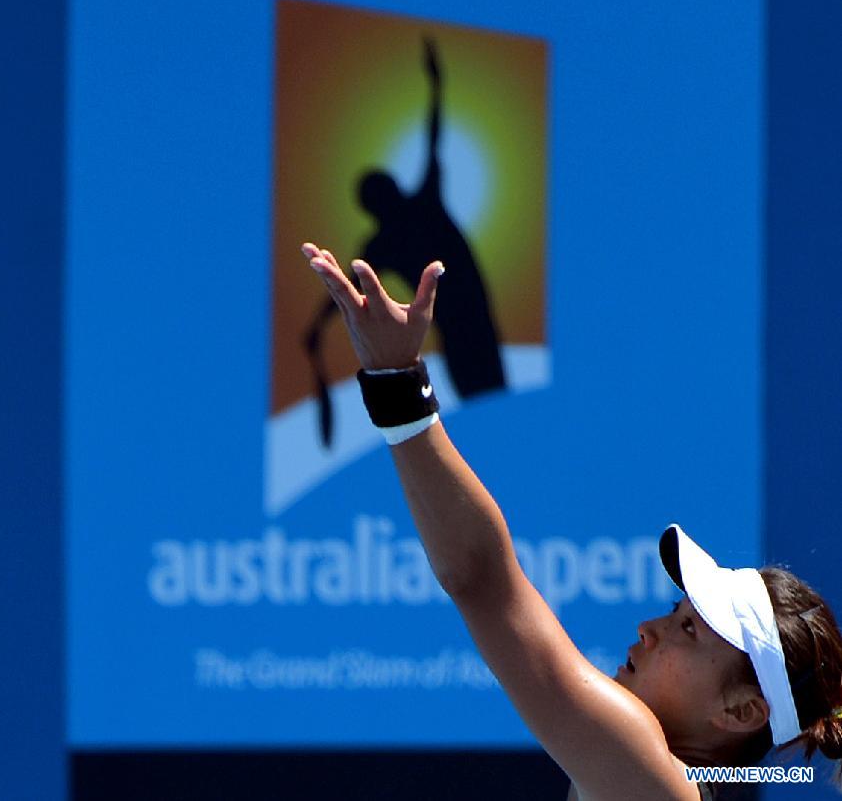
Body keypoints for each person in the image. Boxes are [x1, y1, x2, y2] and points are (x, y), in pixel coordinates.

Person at [300, 241, 842, 800]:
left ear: (744, 710)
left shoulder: (649, 773)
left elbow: (479, 578)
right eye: (674, 613)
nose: (648, 630)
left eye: (688, 630)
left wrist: (397, 384)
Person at [303, 38, 505, 447]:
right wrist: (318, 327)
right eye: (383, 189)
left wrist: (436, 86)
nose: (391, 189)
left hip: (475, 328)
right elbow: (342, 295)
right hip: (463, 337)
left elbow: (434, 137)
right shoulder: (390, 236)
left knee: (498, 412)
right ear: (380, 201)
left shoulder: (403, 223)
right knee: (491, 420)